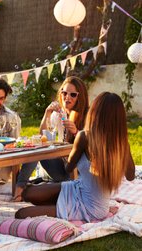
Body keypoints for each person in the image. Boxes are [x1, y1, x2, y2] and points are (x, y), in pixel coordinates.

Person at [15, 92, 135, 221]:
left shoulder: (85, 137)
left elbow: (68, 167)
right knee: (27, 193)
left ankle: (58, 208)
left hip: (90, 207)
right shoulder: (121, 143)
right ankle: (57, 207)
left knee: (20, 214)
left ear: (94, 113)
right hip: (77, 188)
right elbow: (131, 176)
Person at [12, 76, 89, 201]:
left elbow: (92, 149)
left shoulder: (88, 116)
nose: (67, 97)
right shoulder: (60, 114)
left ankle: (29, 189)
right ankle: (19, 188)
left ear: (80, 97)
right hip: (62, 169)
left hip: (79, 174)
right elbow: (42, 136)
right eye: (64, 93)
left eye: (73, 94)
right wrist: (47, 113)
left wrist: (76, 132)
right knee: (36, 148)